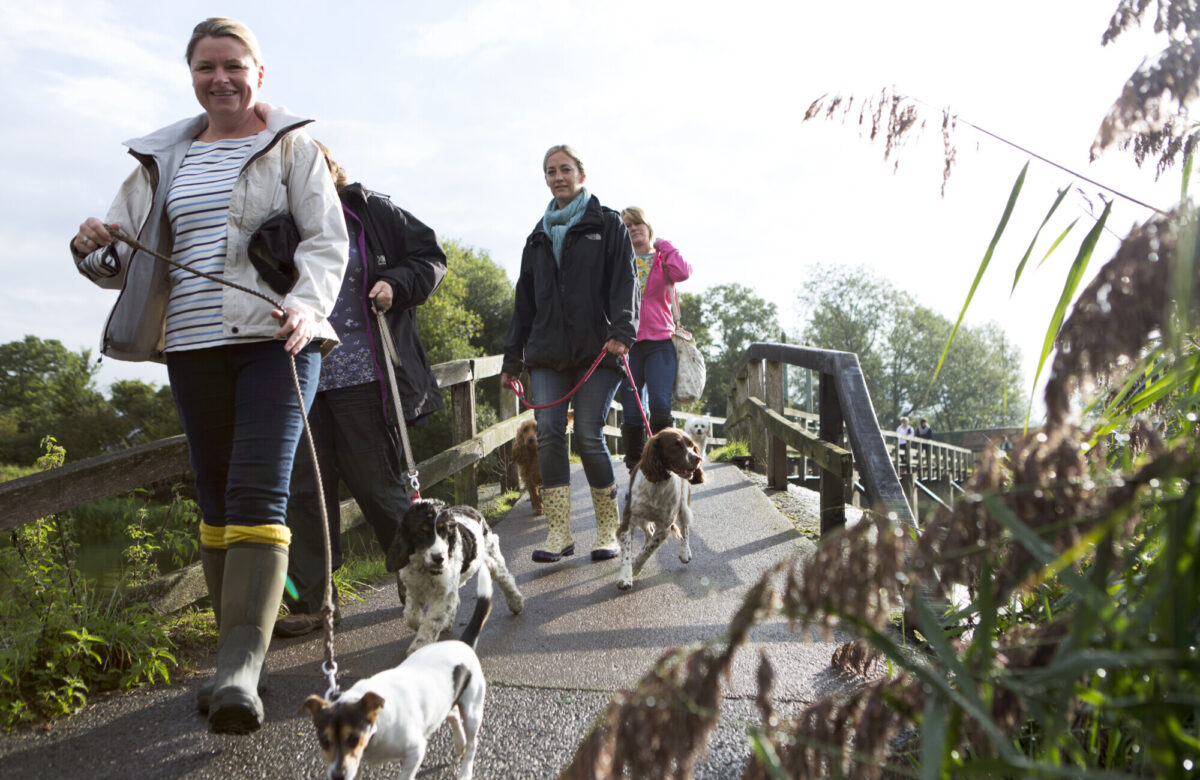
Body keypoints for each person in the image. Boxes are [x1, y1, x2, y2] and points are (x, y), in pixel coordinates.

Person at [71, 18, 348, 734]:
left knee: (259, 484)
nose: (219, 78)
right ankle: (234, 658)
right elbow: (117, 259)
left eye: (233, 65)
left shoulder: (292, 147)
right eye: (205, 67)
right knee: (216, 493)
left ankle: (238, 670)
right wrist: (91, 244)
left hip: (276, 340)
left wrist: (307, 307)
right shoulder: (163, 158)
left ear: (260, 73)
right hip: (191, 346)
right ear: (191, 74)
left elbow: (326, 240)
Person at [275, 143, 447, 638]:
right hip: (300, 374)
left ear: (332, 171)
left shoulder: (370, 212)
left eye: (313, 170)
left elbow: (430, 257)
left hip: (361, 374)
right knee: (306, 491)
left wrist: (395, 282)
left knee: (377, 484)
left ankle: (417, 580)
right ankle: (312, 602)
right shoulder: (281, 225)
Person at [500, 145, 638, 564]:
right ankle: (559, 532)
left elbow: (624, 281)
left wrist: (622, 332)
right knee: (548, 434)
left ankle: (606, 530)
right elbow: (524, 302)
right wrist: (511, 360)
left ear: (581, 173)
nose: (557, 177)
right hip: (547, 353)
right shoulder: (537, 236)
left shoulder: (607, 223)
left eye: (565, 169)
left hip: (599, 349)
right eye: (549, 171)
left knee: (589, 434)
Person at [617, 206, 692, 471]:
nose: (633, 228)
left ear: (648, 228)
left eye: (638, 223)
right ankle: (636, 470)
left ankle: (665, 464)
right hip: (628, 344)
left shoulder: (662, 259)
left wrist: (663, 244)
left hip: (660, 343)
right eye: (627, 225)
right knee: (632, 410)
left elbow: (682, 273)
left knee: (660, 405)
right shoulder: (619, 259)